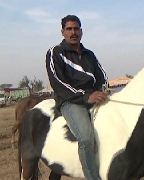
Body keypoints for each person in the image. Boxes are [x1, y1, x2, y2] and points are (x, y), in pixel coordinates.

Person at [45, 15, 108, 180]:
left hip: (93, 98)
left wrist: (104, 90)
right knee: (86, 138)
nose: (73, 32)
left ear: (81, 31)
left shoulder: (89, 54)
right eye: (69, 29)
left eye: (76, 29)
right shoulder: (55, 52)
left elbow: (101, 76)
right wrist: (86, 96)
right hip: (71, 102)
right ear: (62, 32)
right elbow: (58, 82)